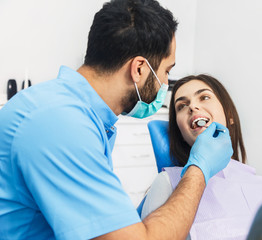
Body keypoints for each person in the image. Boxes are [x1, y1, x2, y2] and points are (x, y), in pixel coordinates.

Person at [0, 1, 233, 239]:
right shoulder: (61, 125)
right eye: (166, 71)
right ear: (139, 69)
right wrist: (198, 169)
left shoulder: (76, 114)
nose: (165, 84)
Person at [141, 74, 262, 239]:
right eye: (181, 106)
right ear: (180, 132)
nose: (193, 107)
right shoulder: (167, 182)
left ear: (229, 115)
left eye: (204, 97)